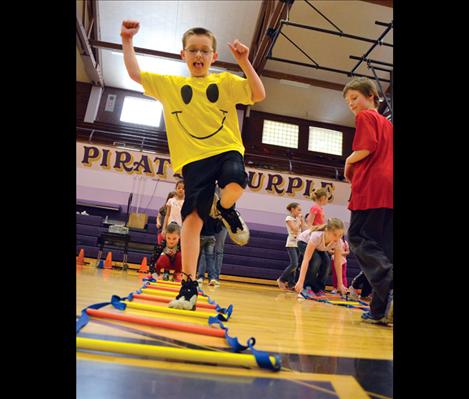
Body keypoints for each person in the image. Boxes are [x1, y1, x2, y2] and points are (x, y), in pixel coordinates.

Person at [121, 21, 266, 310]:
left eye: (204, 50)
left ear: (213, 56)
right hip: (193, 159)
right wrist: (127, 40)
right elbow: (135, 74)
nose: (198, 55)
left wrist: (244, 61)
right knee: (192, 220)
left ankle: (224, 208)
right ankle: (188, 286)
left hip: (226, 148)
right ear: (183, 55)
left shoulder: (223, 82)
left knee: (236, 180)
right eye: (193, 50)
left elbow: (258, 94)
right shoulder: (172, 85)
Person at [343, 77, 393, 325]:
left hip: (372, 187)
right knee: (384, 247)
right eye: (348, 101)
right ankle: (380, 310)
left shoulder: (366, 117)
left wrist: (349, 161)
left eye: (355, 98)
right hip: (389, 189)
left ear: (371, 96)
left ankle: (388, 278)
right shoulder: (388, 124)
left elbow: (366, 147)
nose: (351, 104)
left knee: (357, 236)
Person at [294, 218, 346, 299]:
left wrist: (340, 284)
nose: (337, 238)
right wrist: (300, 282)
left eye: (340, 235)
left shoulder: (338, 242)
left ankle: (318, 288)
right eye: (335, 234)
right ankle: (307, 287)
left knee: (327, 263)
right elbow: (306, 260)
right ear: (327, 231)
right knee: (316, 260)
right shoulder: (317, 236)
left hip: (318, 247)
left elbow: (338, 263)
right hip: (303, 242)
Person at [276, 202, 307, 290]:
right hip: (291, 243)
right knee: (294, 264)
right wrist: (298, 220)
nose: (300, 211)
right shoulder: (288, 218)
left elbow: (304, 228)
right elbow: (295, 229)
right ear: (293, 209)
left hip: (299, 243)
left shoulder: (298, 218)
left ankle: (291, 284)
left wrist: (302, 220)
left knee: (296, 266)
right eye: (299, 209)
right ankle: (281, 279)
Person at [196, 216, 221, 286]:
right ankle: (212, 278)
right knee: (210, 258)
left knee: (197, 256)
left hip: (201, 236)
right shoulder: (214, 214)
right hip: (211, 237)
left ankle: (199, 276)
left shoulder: (203, 211)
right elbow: (218, 229)